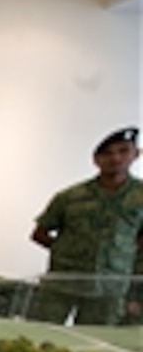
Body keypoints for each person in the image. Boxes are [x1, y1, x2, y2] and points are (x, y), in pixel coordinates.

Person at [26, 127, 143, 326]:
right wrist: (66, 252)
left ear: (136, 154)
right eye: (107, 153)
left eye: (123, 151)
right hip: (63, 281)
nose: (115, 159)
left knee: (93, 342)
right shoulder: (71, 196)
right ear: (96, 160)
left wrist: (135, 294)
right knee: (41, 331)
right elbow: (39, 233)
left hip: (109, 287)